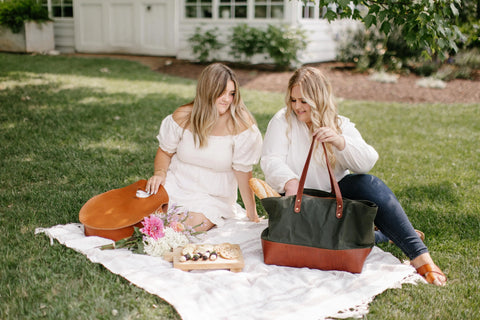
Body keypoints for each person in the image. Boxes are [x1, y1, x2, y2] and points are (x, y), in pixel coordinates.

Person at [260, 66, 446, 286]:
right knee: (327, 239)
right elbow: (270, 159)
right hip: (299, 200)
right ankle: (384, 235)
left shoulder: (339, 123)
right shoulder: (283, 120)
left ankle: (420, 257)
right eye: (293, 100)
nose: (297, 107)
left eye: (304, 101)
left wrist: (339, 141)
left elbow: (367, 161)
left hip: (335, 199)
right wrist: (290, 181)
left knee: (369, 183)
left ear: (319, 99)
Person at [145, 63, 262, 232]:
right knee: (147, 216)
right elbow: (165, 151)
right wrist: (159, 173)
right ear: (207, 91)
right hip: (177, 184)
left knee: (186, 226)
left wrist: (252, 213)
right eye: (221, 93)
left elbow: (243, 172)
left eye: (232, 93)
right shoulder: (183, 116)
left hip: (213, 195)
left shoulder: (241, 125)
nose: (227, 99)